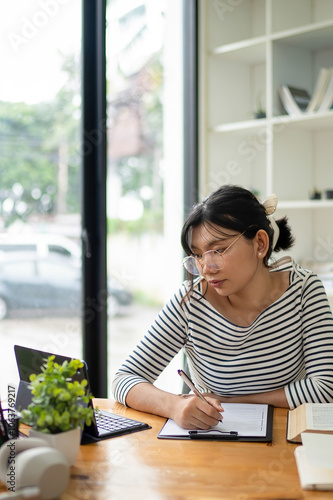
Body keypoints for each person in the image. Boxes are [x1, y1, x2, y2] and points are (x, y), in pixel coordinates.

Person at [112, 185, 333, 430]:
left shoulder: (304, 290)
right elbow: (124, 380)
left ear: (259, 243)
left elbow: (325, 388)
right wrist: (173, 405)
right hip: (214, 442)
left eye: (218, 250)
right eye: (197, 255)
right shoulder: (190, 302)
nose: (207, 267)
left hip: (287, 441)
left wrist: (231, 400)